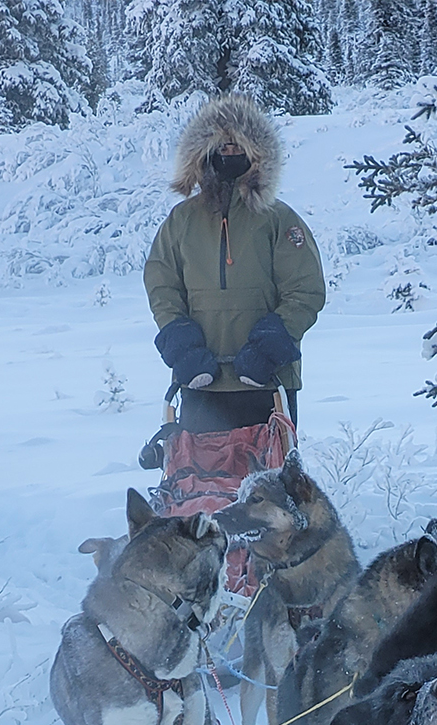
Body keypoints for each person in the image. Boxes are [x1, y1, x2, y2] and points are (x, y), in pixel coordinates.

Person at [144, 93, 322, 454]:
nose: (228, 155)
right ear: (202, 155)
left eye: (237, 148)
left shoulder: (278, 219)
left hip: (267, 382)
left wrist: (269, 347)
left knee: (270, 484)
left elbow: (305, 290)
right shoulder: (181, 221)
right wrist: (181, 345)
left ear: (257, 156)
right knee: (198, 481)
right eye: (220, 149)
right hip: (200, 381)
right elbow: (162, 285)